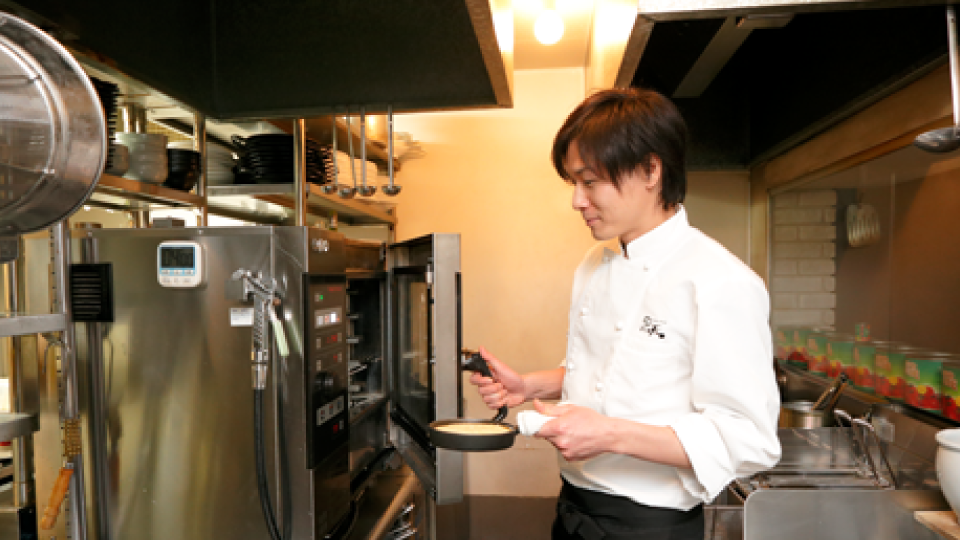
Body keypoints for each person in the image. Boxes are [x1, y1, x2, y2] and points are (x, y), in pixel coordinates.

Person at [470, 88, 781, 540]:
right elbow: (609, 371)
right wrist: (528, 386)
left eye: (590, 182)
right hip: (573, 506)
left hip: (650, 526)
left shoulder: (720, 280)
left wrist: (609, 435)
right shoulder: (594, 264)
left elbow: (749, 438)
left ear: (651, 170)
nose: (577, 201)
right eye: (573, 184)